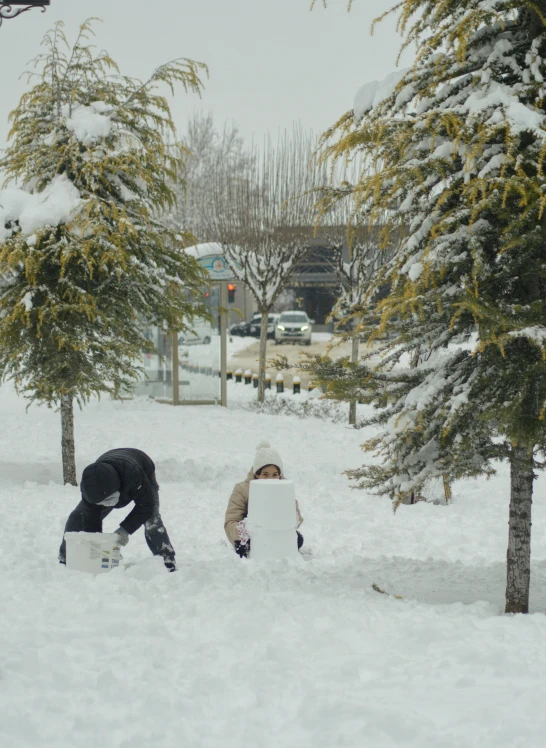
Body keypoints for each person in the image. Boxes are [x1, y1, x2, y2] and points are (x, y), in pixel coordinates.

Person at [59, 448, 176, 572]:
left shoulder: (133, 474)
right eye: (102, 502)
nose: (107, 505)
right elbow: (91, 520)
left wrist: (125, 529)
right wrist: (95, 547)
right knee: (78, 517)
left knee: (152, 520)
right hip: (106, 479)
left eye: (109, 500)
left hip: (142, 467)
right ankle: (65, 558)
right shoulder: (90, 488)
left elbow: (146, 505)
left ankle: (166, 559)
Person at [224, 441, 303, 558]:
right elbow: (231, 521)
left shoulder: (284, 489)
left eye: (275, 474)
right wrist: (243, 534)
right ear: (257, 474)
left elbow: (296, 520)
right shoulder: (242, 489)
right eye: (265, 474)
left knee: (298, 539)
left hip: (276, 536)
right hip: (251, 537)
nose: (270, 479)